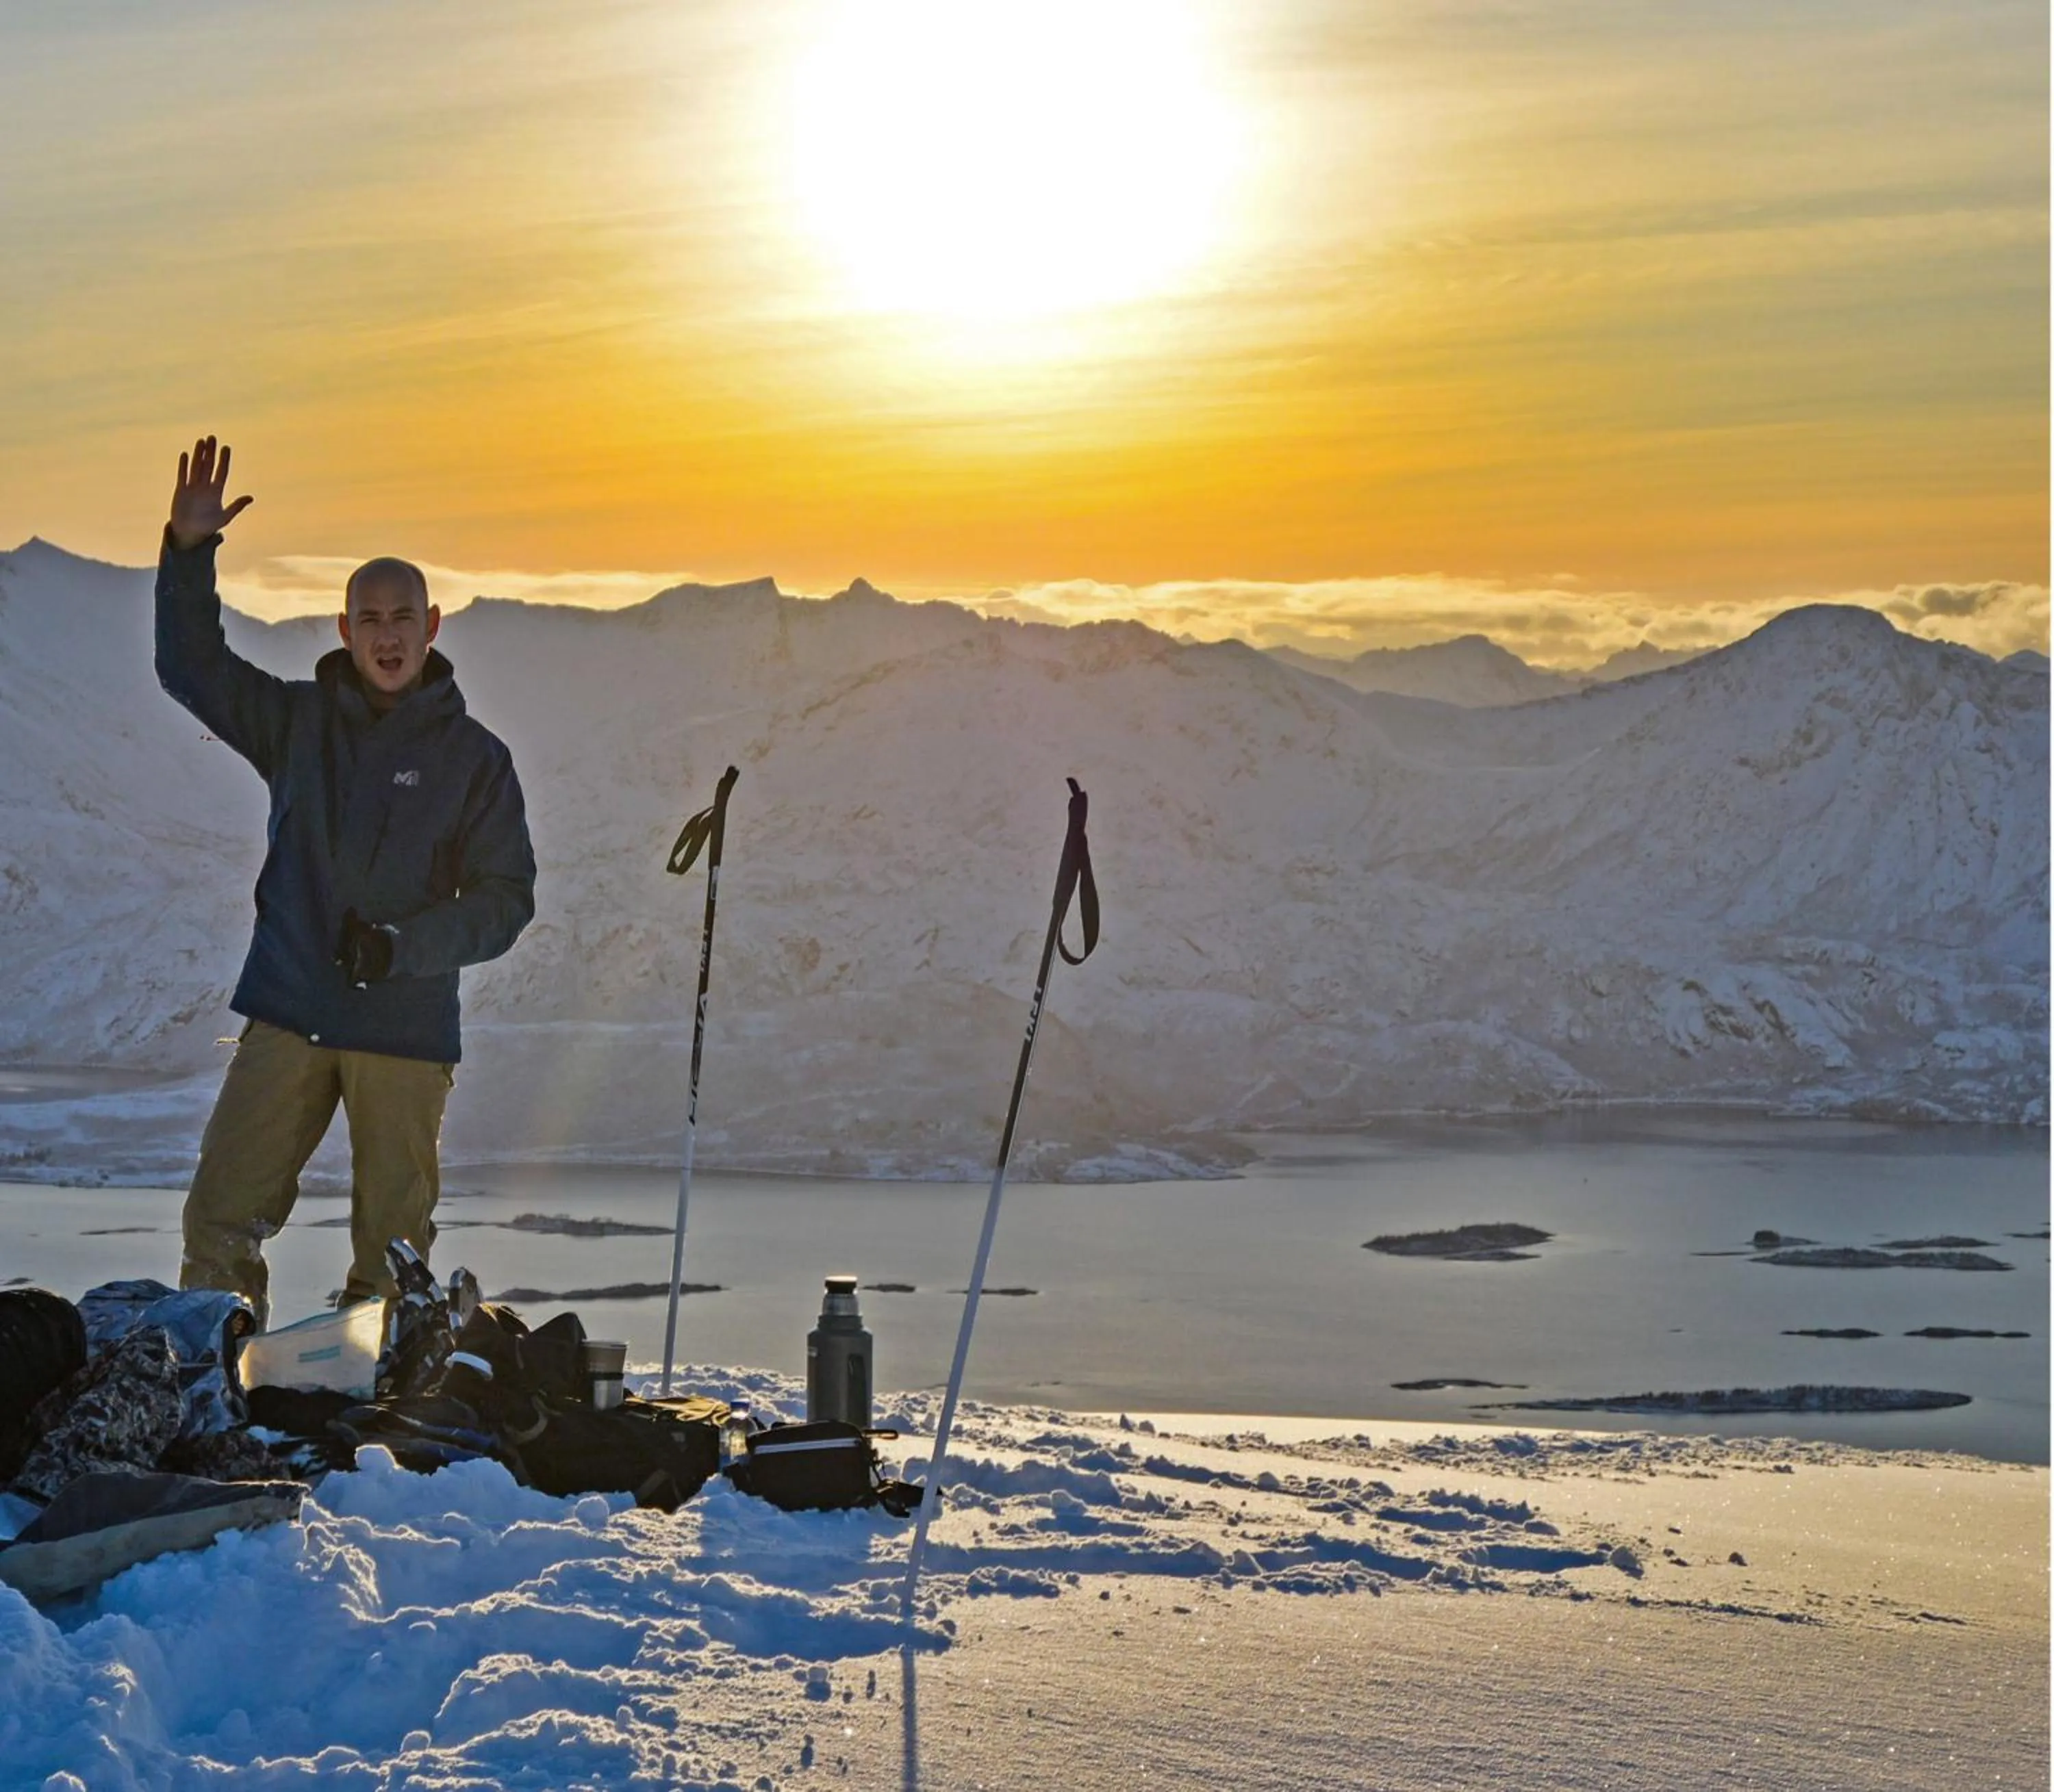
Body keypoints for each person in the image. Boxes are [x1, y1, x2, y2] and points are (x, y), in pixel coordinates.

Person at [153, 436, 536, 1326]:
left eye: (404, 616)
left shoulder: (476, 761)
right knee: (218, 1219)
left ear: (433, 625)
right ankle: (212, 1390)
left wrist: (402, 947)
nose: (388, 634)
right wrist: (188, 551)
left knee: (392, 1258)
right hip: (289, 1008)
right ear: (344, 630)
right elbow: (191, 668)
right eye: (370, 617)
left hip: (402, 1033)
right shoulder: (297, 726)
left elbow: (504, 900)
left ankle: (373, 1423)